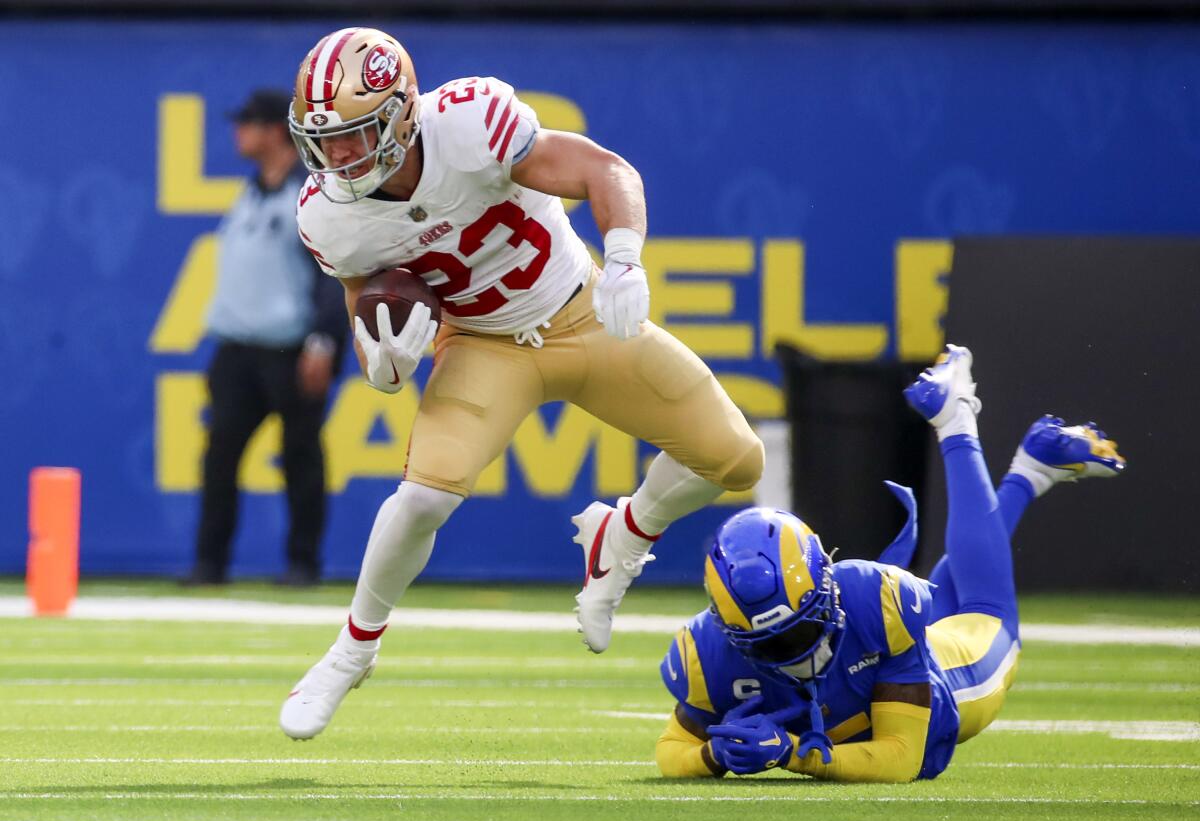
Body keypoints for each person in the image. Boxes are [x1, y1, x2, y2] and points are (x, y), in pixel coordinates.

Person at [278, 28, 764, 740]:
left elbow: (605, 170)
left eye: (356, 133)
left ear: (402, 111)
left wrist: (625, 258)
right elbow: (366, 303)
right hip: (481, 347)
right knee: (419, 498)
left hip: (582, 312)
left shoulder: (471, 122)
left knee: (736, 460)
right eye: (324, 138)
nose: (338, 155)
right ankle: (353, 650)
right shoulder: (327, 216)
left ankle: (626, 533)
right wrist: (382, 361)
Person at [655, 344, 1126, 781]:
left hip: (950, 677)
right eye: (771, 644)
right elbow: (671, 748)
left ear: (828, 590)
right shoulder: (710, 653)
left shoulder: (874, 602)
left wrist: (789, 753)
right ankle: (1033, 468)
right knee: (967, 577)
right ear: (731, 630)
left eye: (798, 630)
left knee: (986, 610)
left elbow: (900, 756)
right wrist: (711, 756)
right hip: (879, 649)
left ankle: (958, 422)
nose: (793, 651)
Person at [186, 89, 347, 589]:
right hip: (236, 350)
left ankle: (303, 563)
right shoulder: (249, 193)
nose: (238, 132)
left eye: (248, 123)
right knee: (218, 457)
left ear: (277, 130)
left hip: (291, 349)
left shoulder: (310, 196)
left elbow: (334, 272)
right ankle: (209, 564)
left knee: (300, 456)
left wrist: (324, 340)